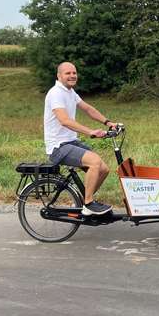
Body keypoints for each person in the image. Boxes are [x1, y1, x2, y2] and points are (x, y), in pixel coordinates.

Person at [44, 62, 116, 216]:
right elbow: (64, 120)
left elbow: (88, 109)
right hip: (58, 146)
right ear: (59, 76)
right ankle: (88, 204)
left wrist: (108, 122)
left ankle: (83, 201)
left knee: (103, 169)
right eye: (67, 73)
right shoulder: (56, 93)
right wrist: (90, 132)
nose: (72, 76)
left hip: (70, 142)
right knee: (95, 162)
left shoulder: (70, 92)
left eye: (74, 73)